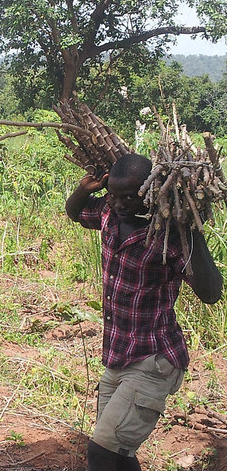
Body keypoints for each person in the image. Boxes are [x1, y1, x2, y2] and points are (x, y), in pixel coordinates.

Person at [65, 154, 223, 471]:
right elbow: (76, 213)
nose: (120, 203)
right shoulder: (109, 215)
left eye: (130, 197)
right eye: (114, 194)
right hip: (117, 357)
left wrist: (190, 227)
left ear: (149, 195)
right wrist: (85, 189)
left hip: (153, 360)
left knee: (102, 454)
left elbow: (211, 292)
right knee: (115, 454)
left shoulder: (167, 236)